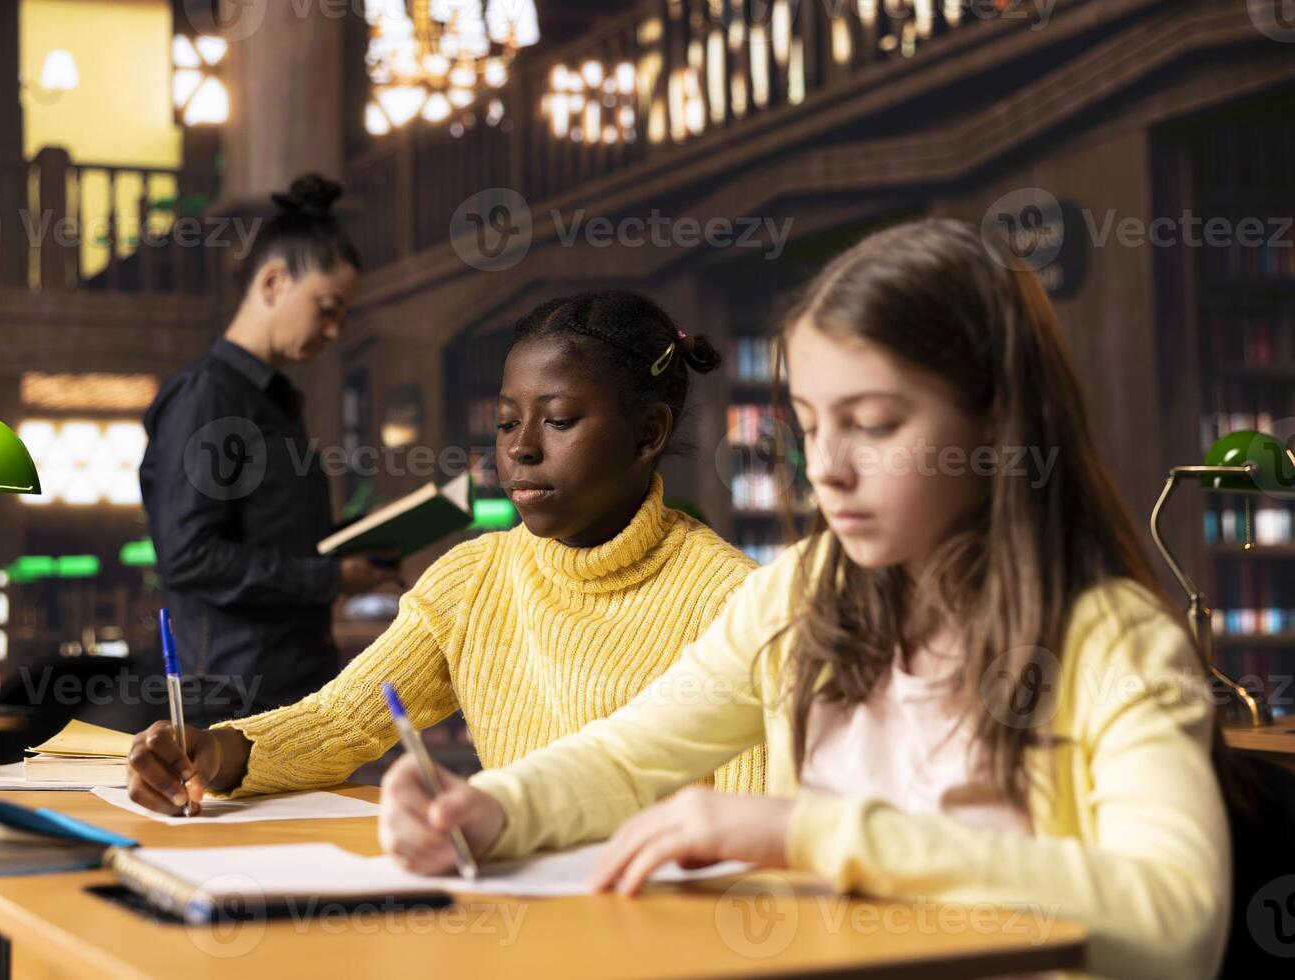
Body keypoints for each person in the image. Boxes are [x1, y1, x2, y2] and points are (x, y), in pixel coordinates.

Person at [379, 220, 1232, 980]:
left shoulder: (1113, 640)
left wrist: (807, 834)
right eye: (812, 424)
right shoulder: (803, 592)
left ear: (996, 426)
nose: (826, 467)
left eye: (874, 423)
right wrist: (492, 808)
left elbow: (1174, 920)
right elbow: (629, 757)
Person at [126, 289, 768, 812]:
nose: (521, 448)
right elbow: (343, 722)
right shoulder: (474, 578)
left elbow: (753, 836)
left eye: (560, 419)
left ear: (647, 433)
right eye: (507, 421)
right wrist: (213, 752)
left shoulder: (732, 605)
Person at [139, 174, 400, 722]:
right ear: (274, 282)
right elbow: (188, 555)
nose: (334, 331)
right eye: (327, 309)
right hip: (231, 697)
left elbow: (275, 542)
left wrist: (356, 546)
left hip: (291, 684)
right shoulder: (208, 395)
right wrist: (332, 578)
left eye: (343, 316)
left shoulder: (276, 398)